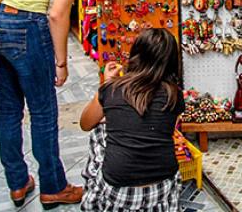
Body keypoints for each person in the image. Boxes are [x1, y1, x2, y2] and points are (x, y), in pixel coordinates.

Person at [0, 0, 133, 210]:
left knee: (9, 109)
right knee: (43, 111)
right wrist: (61, 61)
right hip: (26, 22)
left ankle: (17, 182)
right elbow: (58, 12)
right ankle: (53, 186)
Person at [78, 28, 184, 212]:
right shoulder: (175, 95)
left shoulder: (111, 89)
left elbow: (85, 124)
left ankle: (93, 201)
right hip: (162, 188)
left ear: (136, 55)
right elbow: (164, 127)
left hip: (119, 191)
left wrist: (105, 84)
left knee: (100, 131)